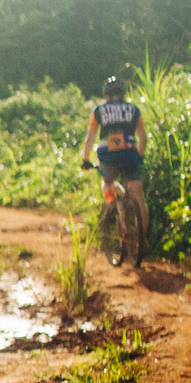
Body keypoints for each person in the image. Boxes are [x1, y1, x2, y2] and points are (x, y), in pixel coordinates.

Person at [81, 75, 150, 267]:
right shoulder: (134, 110)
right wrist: (140, 157)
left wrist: (85, 160)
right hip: (130, 155)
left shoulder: (99, 111)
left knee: (108, 182)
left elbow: (89, 139)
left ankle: (113, 205)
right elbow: (143, 137)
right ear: (123, 93)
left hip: (108, 156)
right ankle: (142, 236)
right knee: (137, 194)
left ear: (106, 95)